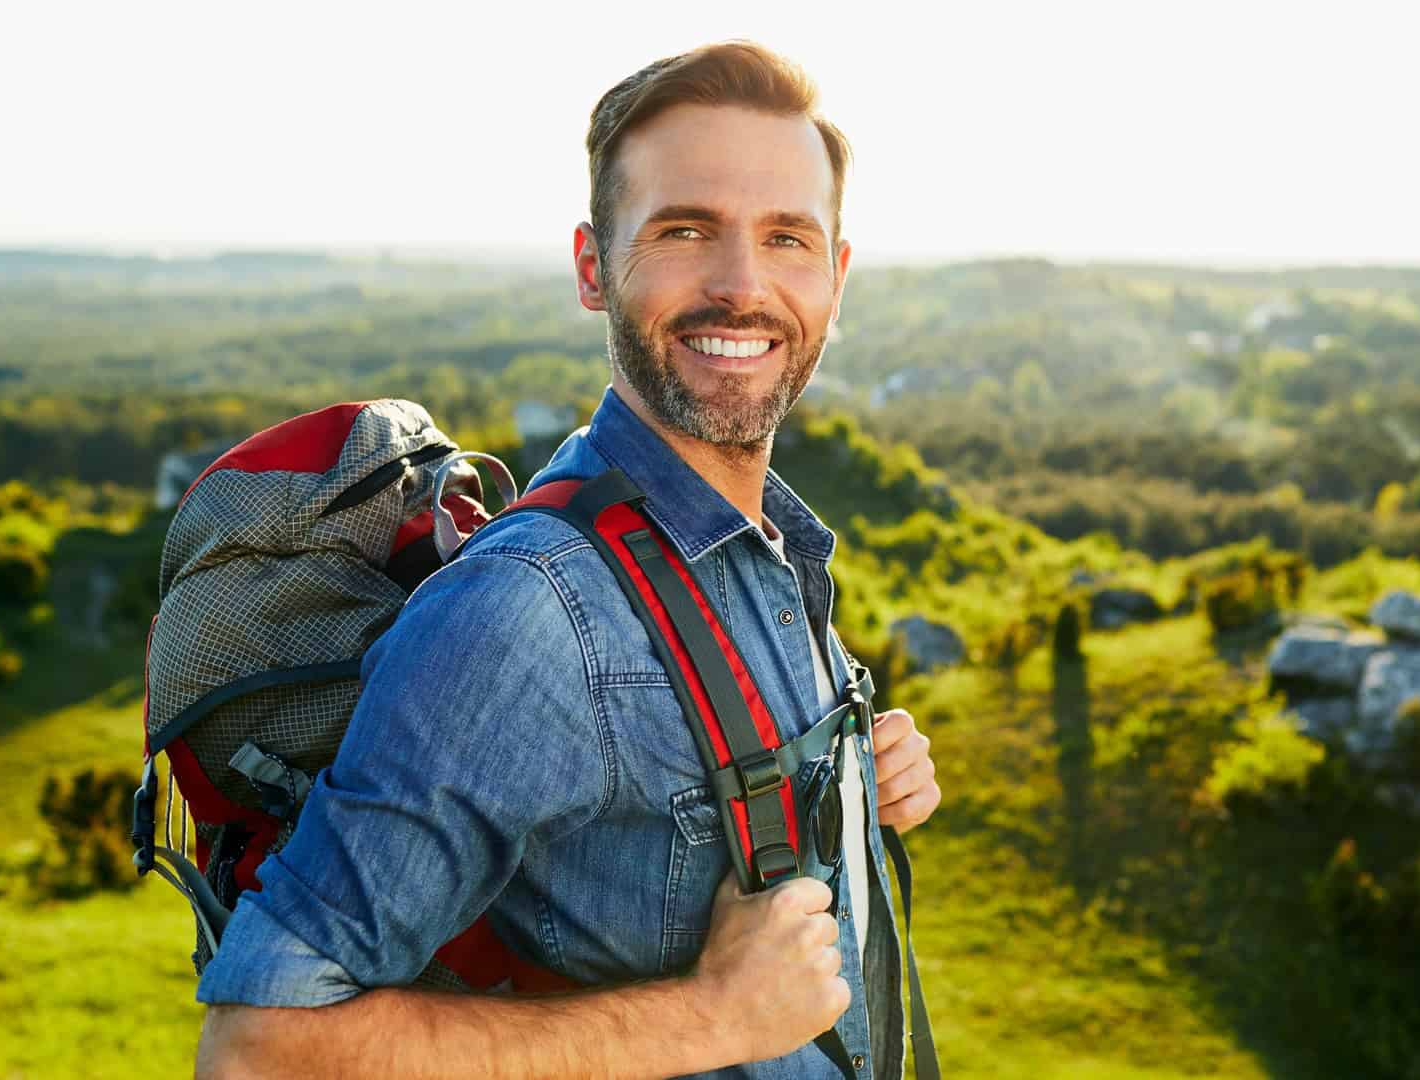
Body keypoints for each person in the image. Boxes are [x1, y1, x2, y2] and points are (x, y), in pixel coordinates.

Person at [193, 41, 941, 1079]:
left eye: (787, 237)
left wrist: (853, 790)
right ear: (594, 267)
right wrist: (713, 1019)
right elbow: (260, 1050)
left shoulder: (763, 544)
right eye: (685, 230)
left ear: (836, 278)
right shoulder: (527, 612)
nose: (743, 285)